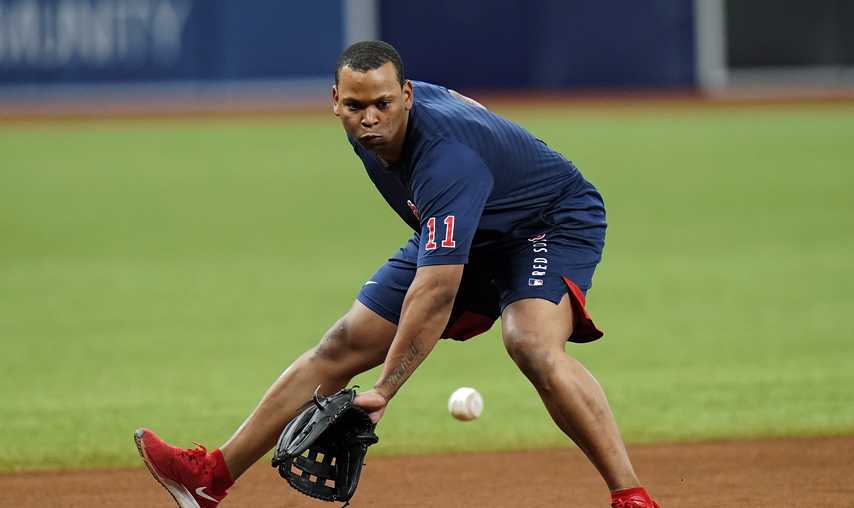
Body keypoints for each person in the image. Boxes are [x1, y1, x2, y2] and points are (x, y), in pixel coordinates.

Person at [134, 40, 660, 508]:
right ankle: (208, 480)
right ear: (334, 101)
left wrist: (384, 390)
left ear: (406, 95)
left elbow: (436, 292)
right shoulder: (373, 124)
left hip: (544, 223)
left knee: (530, 341)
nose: (369, 118)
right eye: (356, 105)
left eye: (383, 104)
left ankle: (631, 496)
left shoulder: (446, 158)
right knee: (343, 342)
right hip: (461, 220)